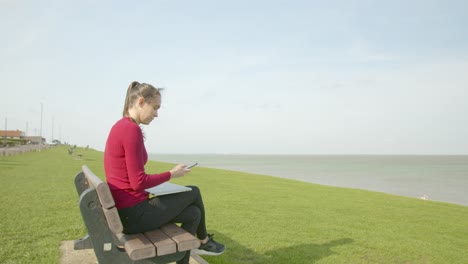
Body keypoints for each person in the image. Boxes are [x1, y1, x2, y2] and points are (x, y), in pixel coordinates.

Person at [104, 81, 225, 264]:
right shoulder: (131, 130)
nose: (157, 114)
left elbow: (132, 180)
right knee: (194, 191)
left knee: (193, 214)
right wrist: (171, 174)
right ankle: (203, 241)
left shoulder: (122, 126)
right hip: (134, 215)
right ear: (141, 102)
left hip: (127, 212)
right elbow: (138, 182)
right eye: (155, 108)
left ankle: (191, 252)